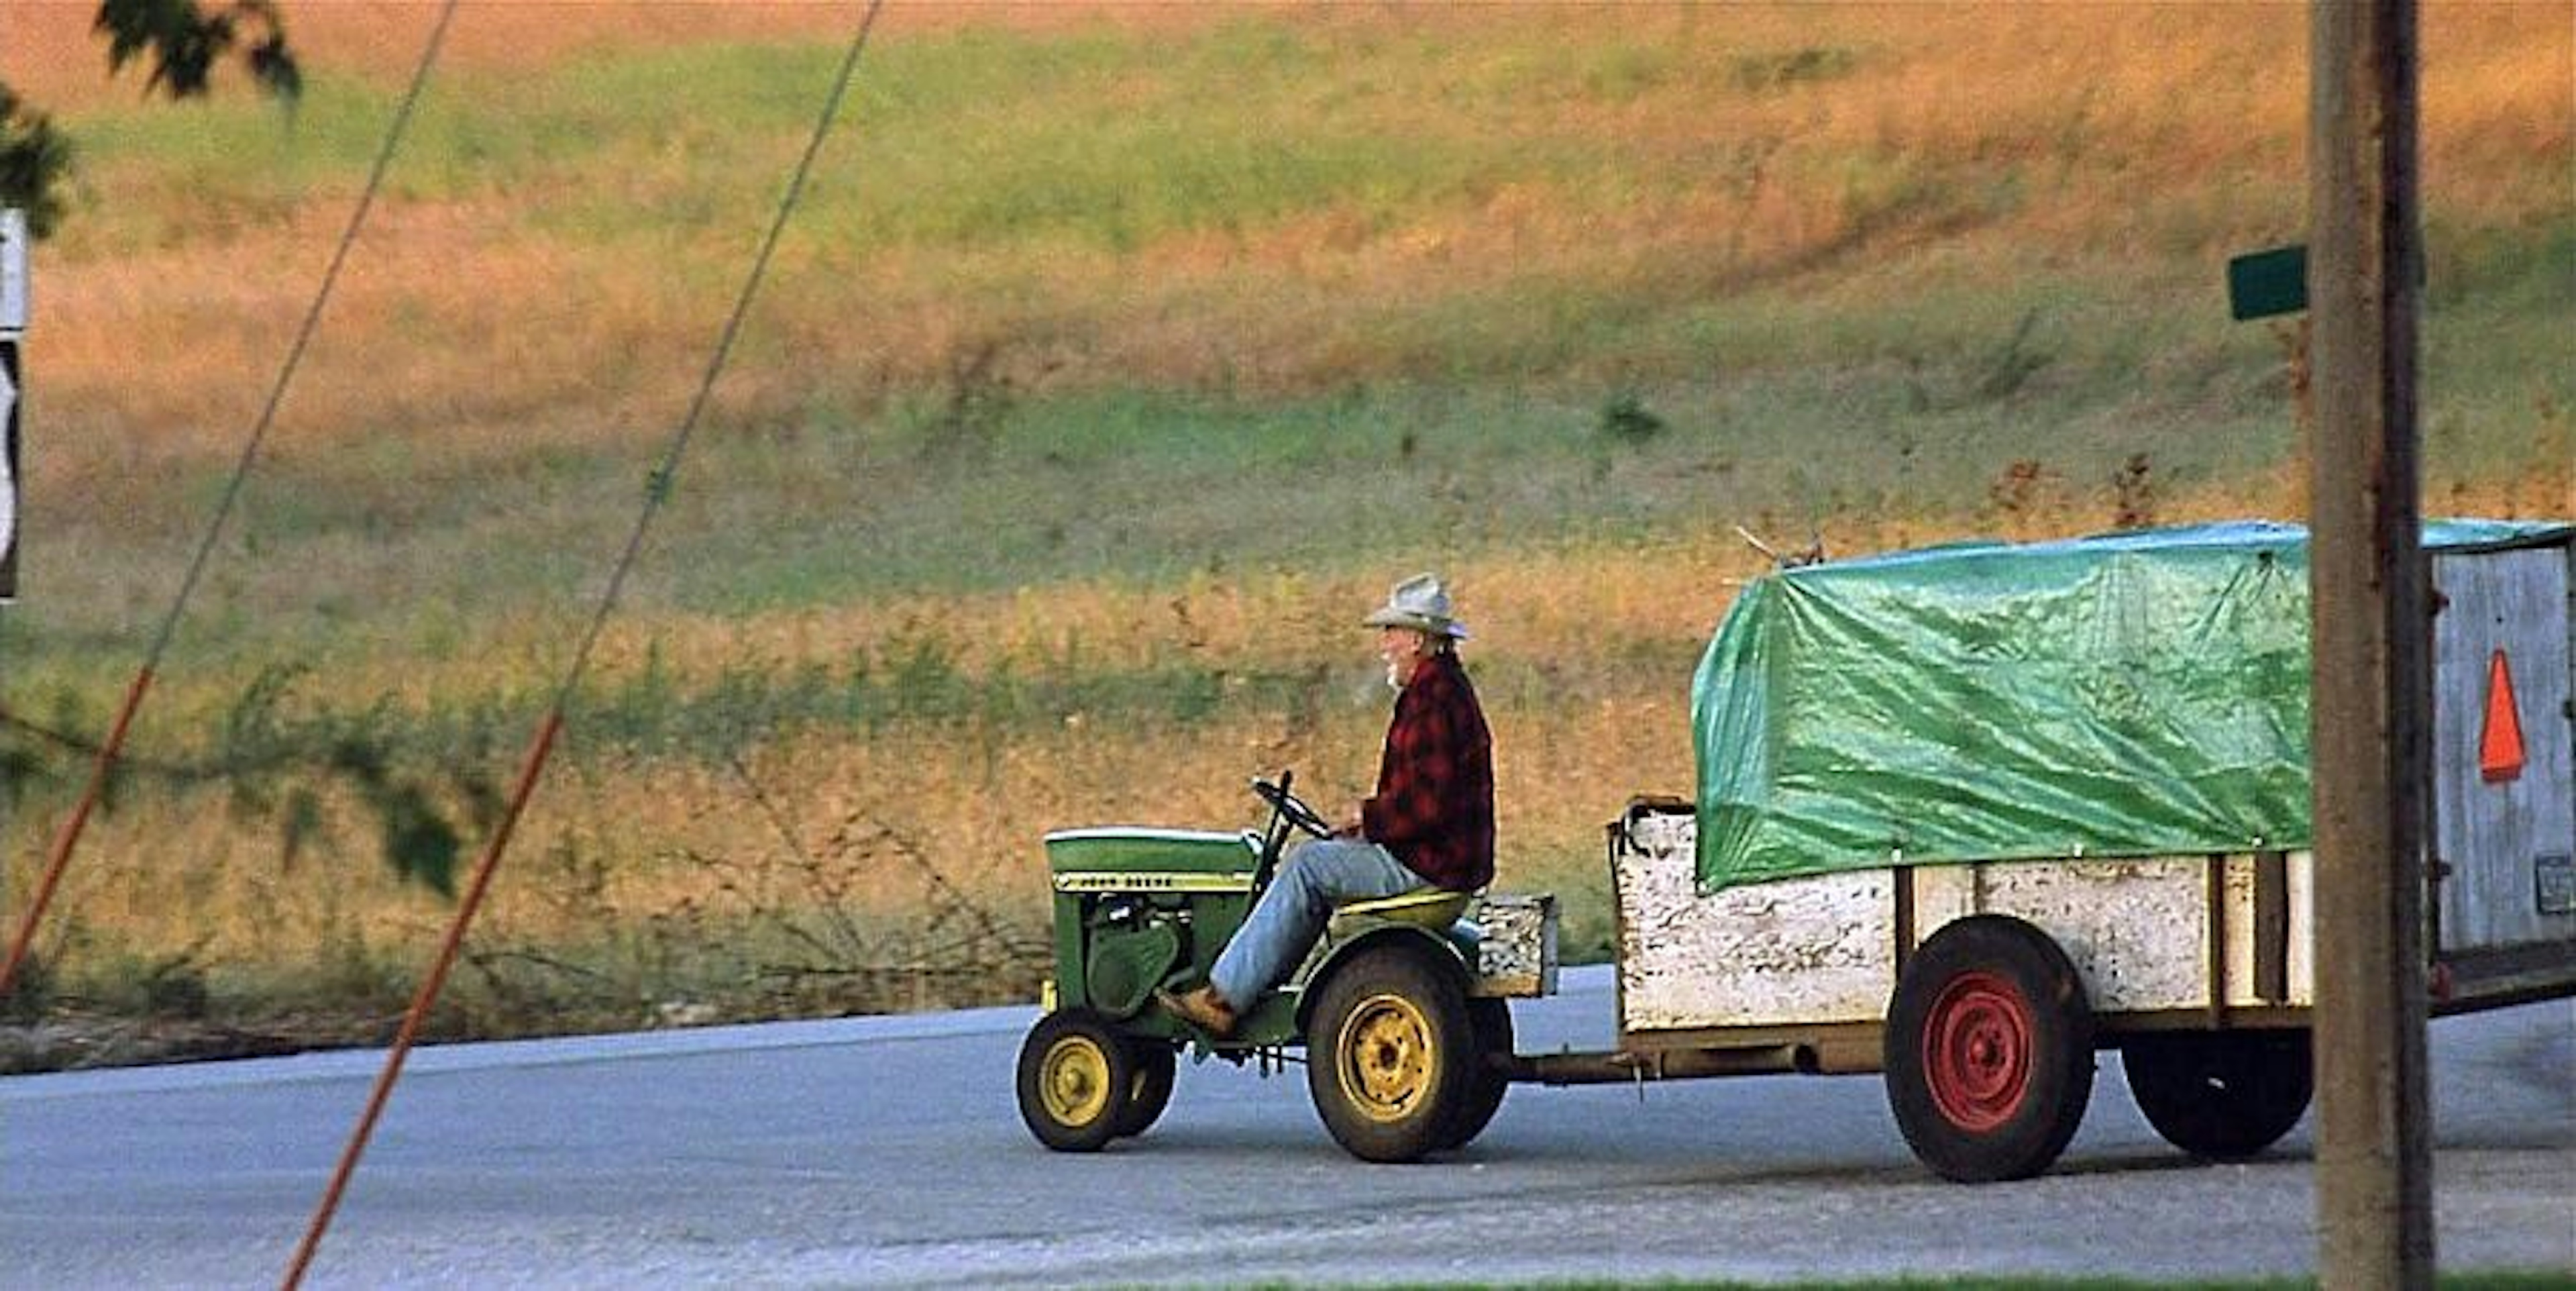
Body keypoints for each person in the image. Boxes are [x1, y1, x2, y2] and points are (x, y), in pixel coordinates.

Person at [1158, 572, 1495, 1037]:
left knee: (1307, 866)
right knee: (1319, 861)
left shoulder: (1431, 701)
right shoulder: (1444, 689)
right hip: (1442, 857)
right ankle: (1255, 984)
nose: (1384, 644)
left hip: (1429, 864)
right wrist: (1367, 824)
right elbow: (1428, 798)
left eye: (1391, 632)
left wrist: (1367, 815)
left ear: (1417, 640)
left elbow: (1430, 805)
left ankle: (1224, 998)